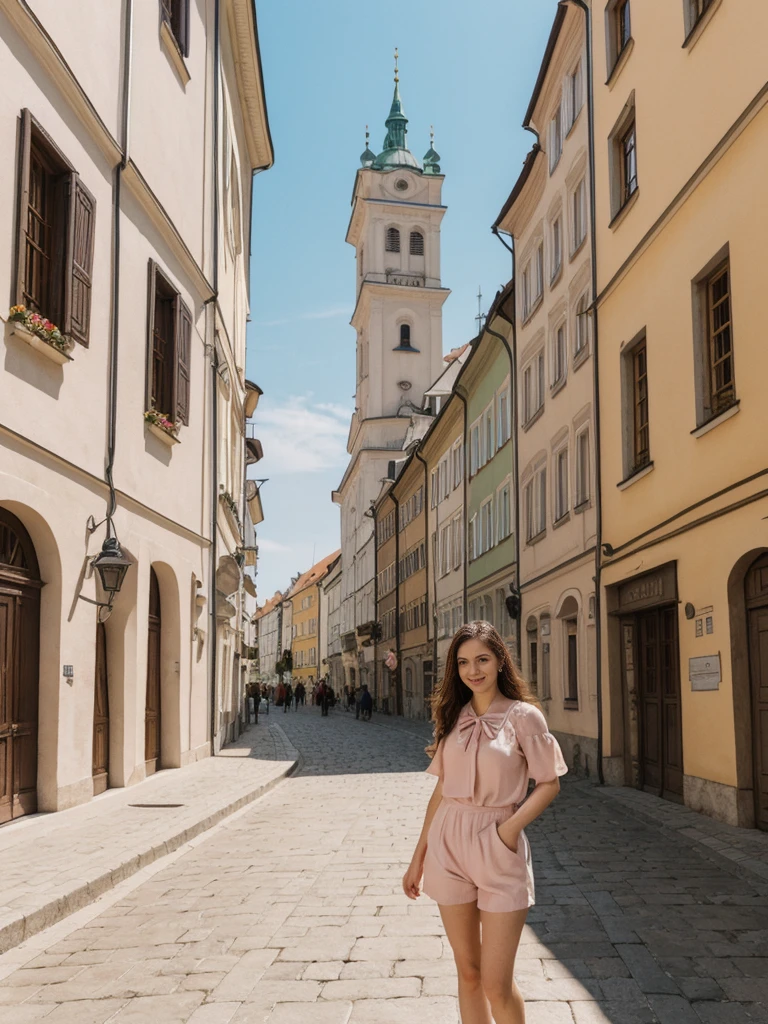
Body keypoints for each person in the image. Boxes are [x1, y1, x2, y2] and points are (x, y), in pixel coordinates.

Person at [402, 621, 568, 1024]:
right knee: (468, 973)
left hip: (497, 844)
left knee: (496, 983)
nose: (472, 670)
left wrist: (507, 832)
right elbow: (442, 790)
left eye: (482, 659)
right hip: (449, 844)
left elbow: (549, 783)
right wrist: (418, 856)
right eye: (463, 662)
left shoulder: (524, 716)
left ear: (499, 661)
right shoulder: (454, 715)